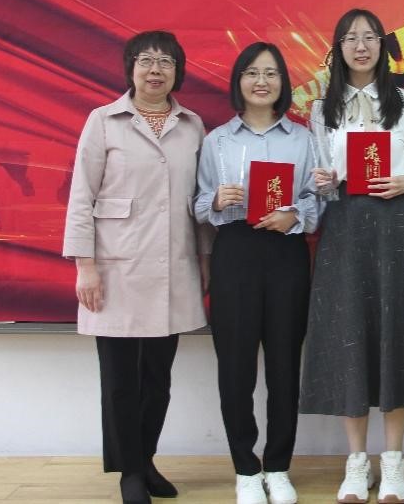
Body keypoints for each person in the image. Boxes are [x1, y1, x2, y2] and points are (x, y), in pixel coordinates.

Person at [63, 30, 209, 504]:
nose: (155, 70)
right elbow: (81, 197)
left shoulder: (193, 126)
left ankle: (145, 459)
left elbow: (201, 200)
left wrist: (206, 261)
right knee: (120, 380)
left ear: (177, 72)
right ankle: (129, 472)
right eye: (145, 60)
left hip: (173, 268)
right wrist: (85, 265)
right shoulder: (103, 121)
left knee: (158, 379)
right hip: (116, 270)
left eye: (165, 62)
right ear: (130, 68)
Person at [299, 8, 404, 504]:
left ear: (383, 46)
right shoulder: (322, 109)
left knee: (397, 332)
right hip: (345, 228)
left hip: (397, 223)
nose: (361, 46)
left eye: (370, 37)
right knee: (348, 334)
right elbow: (320, 179)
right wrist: (324, 181)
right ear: (337, 48)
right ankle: (356, 460)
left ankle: (394, 459)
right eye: (351, 38)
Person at [194, 42, 320, 504]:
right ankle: (246, 469)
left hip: (286, 254)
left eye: (270, 73)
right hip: (236, 253)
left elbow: (317, 198)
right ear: (238, 82)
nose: (261, 81)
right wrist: (216, 201)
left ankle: (279, 466)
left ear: (283, 82)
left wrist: (296, 216)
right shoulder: (217, 140)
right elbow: (198, 203)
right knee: (236, 366)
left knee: (285, 365)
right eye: (251, 72)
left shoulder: (304, 139)